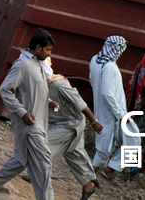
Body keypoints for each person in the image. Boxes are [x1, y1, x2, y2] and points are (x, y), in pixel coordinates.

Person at [0, 28, 55, 199]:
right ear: (38, 48)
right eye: (47, 50)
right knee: (43, 163)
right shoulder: (22, 65)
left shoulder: (38, 64)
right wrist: (22, 112)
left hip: (37, 122)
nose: (49, 54)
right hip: (29, 124)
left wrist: (48, 102)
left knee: (21, 159)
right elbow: (5, 89)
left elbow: (32, 91)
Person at [90, 35, 138, 182]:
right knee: (130, 140)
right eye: (121, 50)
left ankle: (108, 169)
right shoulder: (109, 66)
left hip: (105, 110)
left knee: (128, 140)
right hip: (114, 113)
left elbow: (93, 82)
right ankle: (92, 176)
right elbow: (107, 93)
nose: (122, 54)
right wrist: (120, 114)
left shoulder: (95, 60)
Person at [47, 72, 102, 200]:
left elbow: (81, 104)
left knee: (42, 147)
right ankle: (89, 184)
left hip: (70, 123)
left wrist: (94, 121)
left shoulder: (59, 85)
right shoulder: (42, 84)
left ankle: (40, 176)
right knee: (74, 153)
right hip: (63, 122)